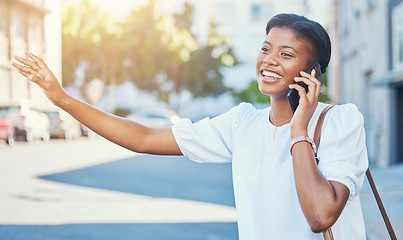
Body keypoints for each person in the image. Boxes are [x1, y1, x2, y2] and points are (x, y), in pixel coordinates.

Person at [12, 13, 368, 240]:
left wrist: (299, 128)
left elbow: (321, 215)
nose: (270, 60)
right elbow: (144, 137)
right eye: (265, 48)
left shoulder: (340, 121)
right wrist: (61, 99)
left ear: (312, 72)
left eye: (286, 54)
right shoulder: (242, 122)